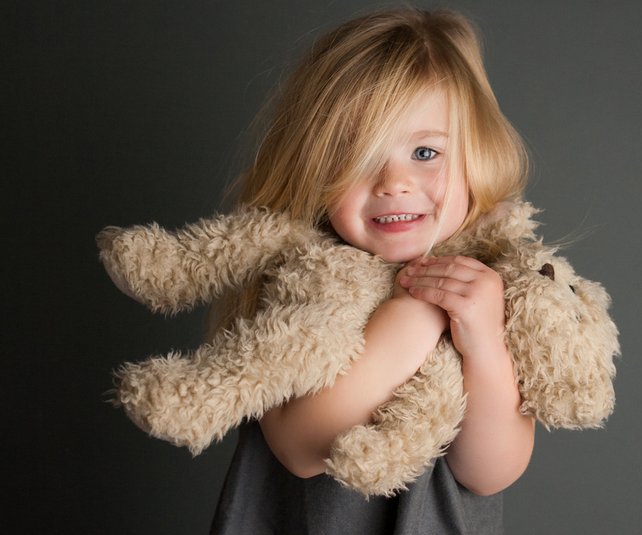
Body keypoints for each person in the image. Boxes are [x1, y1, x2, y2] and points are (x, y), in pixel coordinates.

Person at [171, 8, 603, 534]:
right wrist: (415, 317)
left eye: (425, 152)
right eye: (355, 157)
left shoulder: (491, 285)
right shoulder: (301, 274)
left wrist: (485, 342)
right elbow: (302, 448)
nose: (394, 182)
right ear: (313, 170)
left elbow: (489, 472)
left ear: (475, 157)